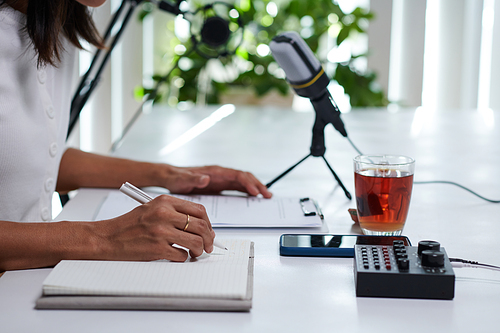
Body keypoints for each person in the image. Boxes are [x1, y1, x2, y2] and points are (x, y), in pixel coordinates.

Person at [0, 0, 272, 272]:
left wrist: (171, 176)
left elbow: (39, 161)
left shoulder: (58, 21)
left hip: (25, 280)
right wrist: (104, 238)